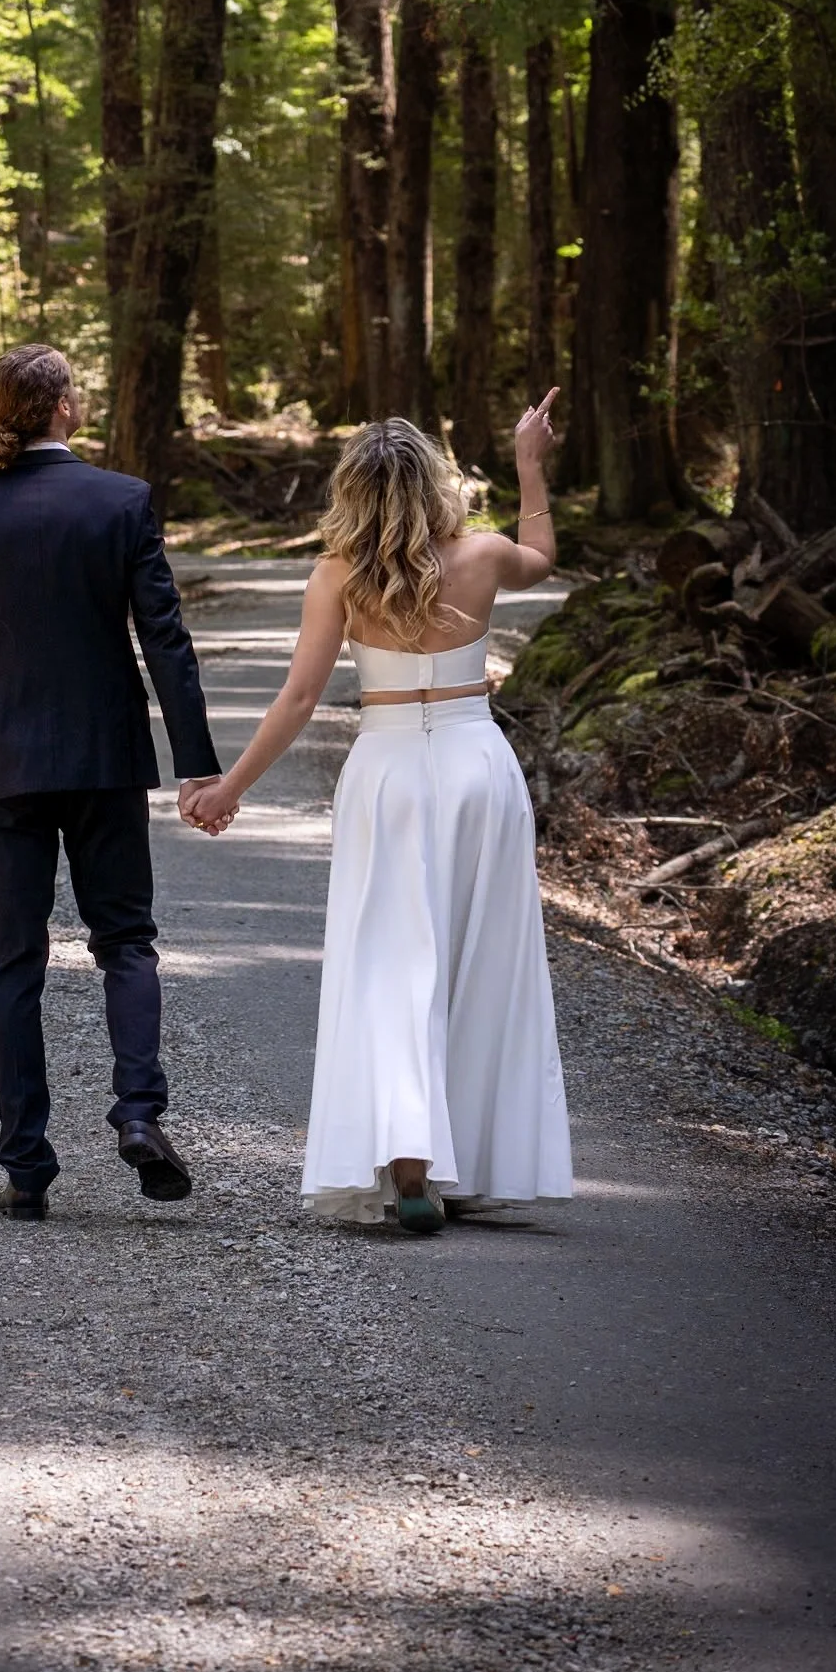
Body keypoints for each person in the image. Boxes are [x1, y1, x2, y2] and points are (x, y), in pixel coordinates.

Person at [181, 398, 573, 1236]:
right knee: (480, 961)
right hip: (477, 764)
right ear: (436, 483)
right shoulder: (481, 554)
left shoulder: (336, 574)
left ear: (352, 492)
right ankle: (473, 1155)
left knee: (392, 966)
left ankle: (409, 1165)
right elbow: (543, 556)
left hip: (388, 773)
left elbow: (299, 697)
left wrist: (231, 788)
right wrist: (529, 465)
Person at [0, 345, 221, 1221]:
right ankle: (139, 1114)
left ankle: (27, 1168)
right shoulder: (120, 501)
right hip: (105, 758)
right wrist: (196, 760)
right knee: (125, 942)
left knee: (11, 968)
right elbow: (165, 639)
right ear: (63, 408)